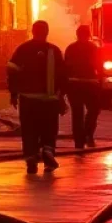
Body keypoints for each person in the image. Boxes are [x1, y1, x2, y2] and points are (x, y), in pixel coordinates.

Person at [7, 20, 67, 174]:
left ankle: (31, 159)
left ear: (33, 31)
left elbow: (12, 71)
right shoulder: (54, 50)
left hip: (28, 100)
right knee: (49, 129)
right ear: (47, 32)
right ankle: (48, 152)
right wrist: (61, 98)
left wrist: (13, 93)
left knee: (29, 130)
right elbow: (63, 76)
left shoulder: (23, 49)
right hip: (49, 100)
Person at [65, 24, 103, 150]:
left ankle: (79, 141)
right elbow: (99, 66)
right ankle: (88, 134)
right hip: (90, 84)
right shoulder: (93, 48)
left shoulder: (70, 48)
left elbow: (66, 67)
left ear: (77, 34)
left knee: (77, 113)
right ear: (88, 35)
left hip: (74, 85)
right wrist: (101, 82)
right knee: (93, 110)